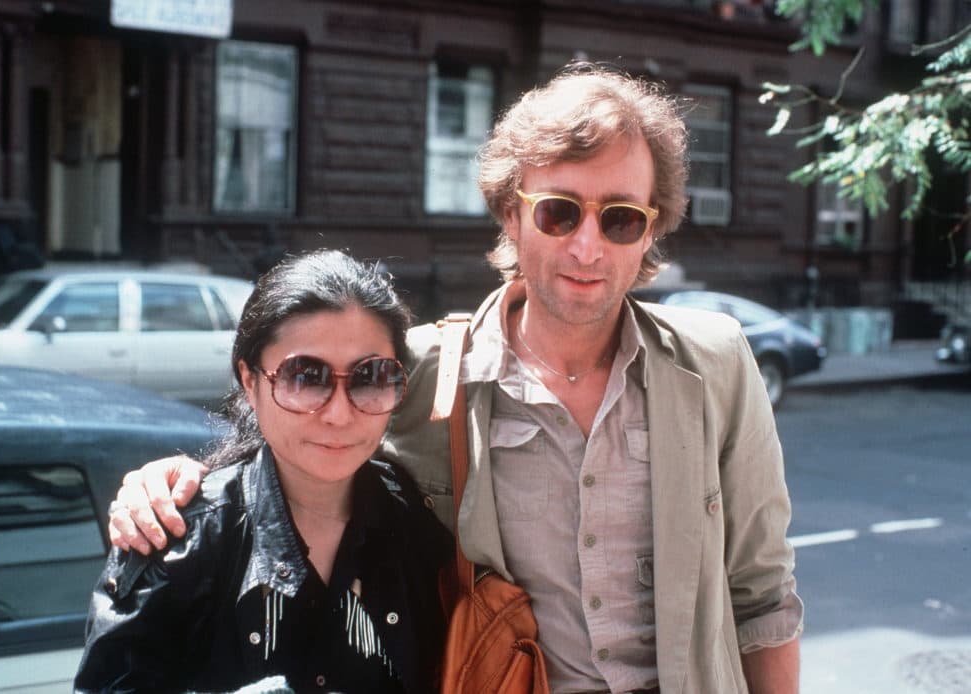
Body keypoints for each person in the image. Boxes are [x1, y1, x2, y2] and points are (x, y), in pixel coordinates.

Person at [108, 62, 803, 694]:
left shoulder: (715, 362)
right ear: (511, 211)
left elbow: (763, 595)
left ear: (650, 231)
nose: (588, 247)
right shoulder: (423, 372)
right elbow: (306, 443)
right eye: (559, 212)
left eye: (620, 218)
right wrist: (176, 483)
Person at [76, 250, 452, 693]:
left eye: (370, 376)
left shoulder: (415, 525)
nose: (338, 414)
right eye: (305, 376)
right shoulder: (176, 539)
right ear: (250, 381)